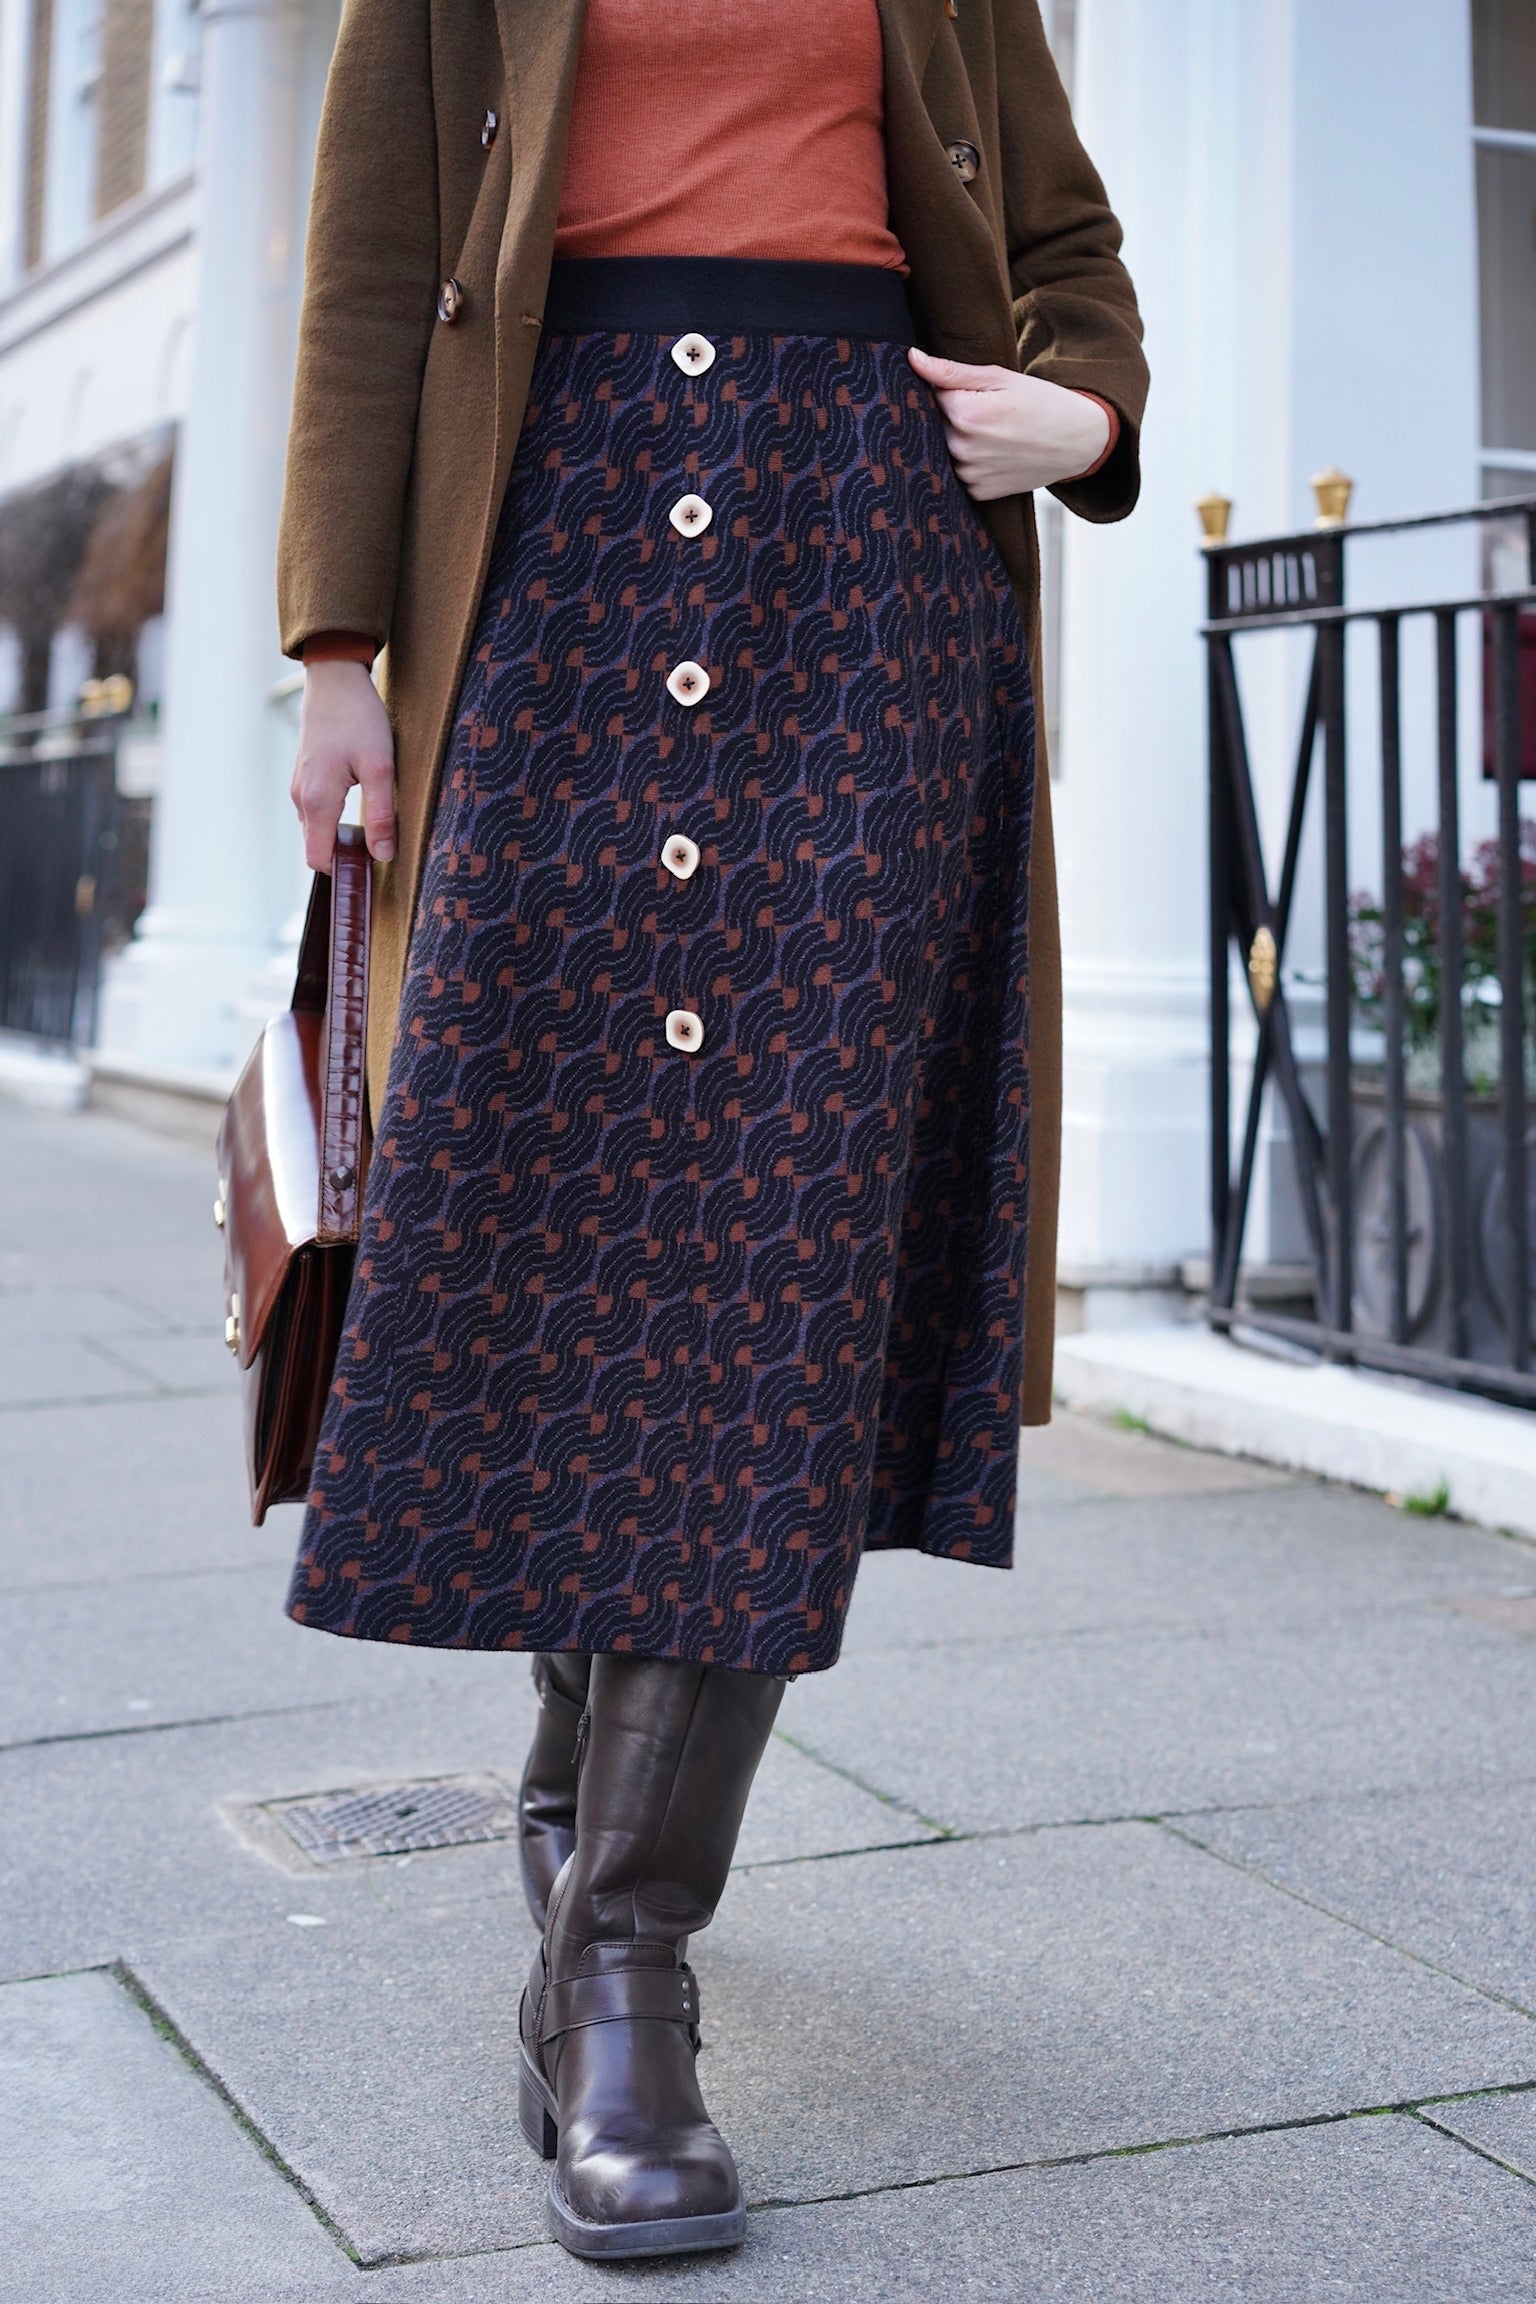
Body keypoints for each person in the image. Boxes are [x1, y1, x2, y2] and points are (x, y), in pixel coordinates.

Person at [277, 0, 1146, 2264]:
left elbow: (1068, 249)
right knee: (570, 1222)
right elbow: (376, 265)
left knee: (777, 1256)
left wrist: (1086, 410)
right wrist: (337, 648)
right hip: (551, 551)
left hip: (859, 570)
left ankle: (622, 1967)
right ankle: (585, 1840)